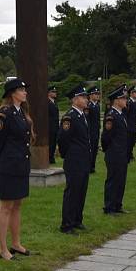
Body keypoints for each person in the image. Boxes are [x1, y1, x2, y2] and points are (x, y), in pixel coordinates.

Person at [0, 78, 33, 260]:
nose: (25, 92)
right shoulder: (4, 114)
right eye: (22, 90)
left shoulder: (21, 112)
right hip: (8, 165)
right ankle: (2, 248)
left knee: (17, 205)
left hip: (21, 164)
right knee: (6, 206)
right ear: (12, 93)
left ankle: (16, 243)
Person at [58, 85, 91, 234]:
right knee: (72, 191)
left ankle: (77, 219)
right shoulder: (69, 117)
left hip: (83, 159)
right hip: (74, 160)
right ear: (75, 99)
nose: (86, 99)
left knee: (81, 191)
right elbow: (63, 140)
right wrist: (69, 156)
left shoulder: (81, 115)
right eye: (83, 97)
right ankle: (67, 224)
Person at [102, 85, 129, 214]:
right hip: (114, 153)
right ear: (117, 100)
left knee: (121, 180)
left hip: (122, 153)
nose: (126, 100)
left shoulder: (121, 114)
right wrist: (111, 151)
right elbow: (106, 137)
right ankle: (109, 207)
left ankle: (118, 205)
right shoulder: (111, 116)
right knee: (113, 180)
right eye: (123, 98)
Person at [86, 86, 101, 173]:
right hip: (90, 131)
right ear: (90, 95)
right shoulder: (88, 106)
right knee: (90, 149)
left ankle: (92, 166)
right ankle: (89, 167)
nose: (97, 95)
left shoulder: (97, 105)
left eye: (98, 94)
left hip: (96, 130)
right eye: (95, 94)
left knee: (95, 149)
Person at [125, 86, 136, 163]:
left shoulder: (134, 102)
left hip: (134, 124)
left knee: (132, 141)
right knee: (129, 141)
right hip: (130, 125)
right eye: (135, 92)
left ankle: (130, 154)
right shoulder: (129, 102)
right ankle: (127, 155)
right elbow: (127, 114)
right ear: (131, 94)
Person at [47, 86, 59, 164]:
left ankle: (51, 157)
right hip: (49, 126)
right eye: (53, 92)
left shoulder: (54, 102)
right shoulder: (47, 102)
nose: (55, 93)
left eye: (55, 92)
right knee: (50, 142)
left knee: (54, 142)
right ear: (48, 93)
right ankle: (49, 158)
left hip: (55, 126)